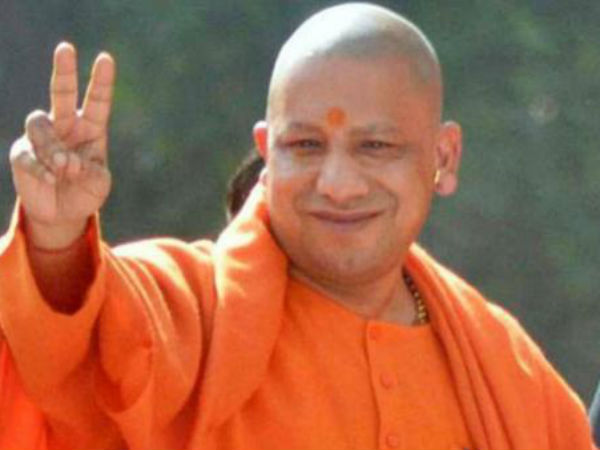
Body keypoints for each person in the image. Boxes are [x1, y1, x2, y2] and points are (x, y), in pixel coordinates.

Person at [0, 3, 595, 449]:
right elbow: (76, 345)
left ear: (444, 155)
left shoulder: (506, 371)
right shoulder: (191, 314)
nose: (337, 183)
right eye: (305, 145)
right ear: (267, 150)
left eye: (376, 146)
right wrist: (56, 239)